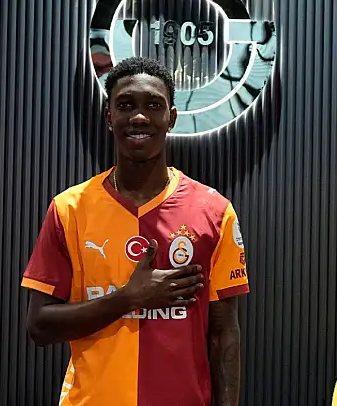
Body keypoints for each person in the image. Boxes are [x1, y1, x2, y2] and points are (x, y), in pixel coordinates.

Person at [22, 56, 250, 406]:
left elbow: (224, 335)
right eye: (126, 105)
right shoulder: (69, 209)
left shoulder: (215, 211)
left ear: (171, 118)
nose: (139, 117)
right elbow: (39, 326)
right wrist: (128, 298)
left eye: (153, 105)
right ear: (109, 117)